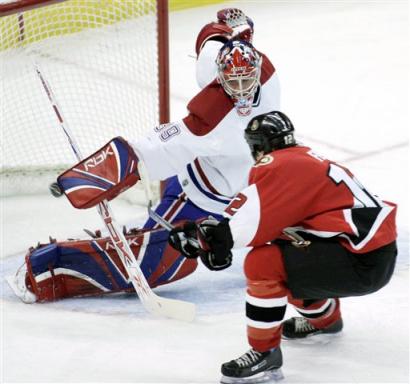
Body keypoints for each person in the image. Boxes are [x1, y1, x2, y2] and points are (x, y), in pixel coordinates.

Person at [10, 9, 282, 303]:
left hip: (252, 192)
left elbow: (215, 39)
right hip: (199, 197)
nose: (241, 90)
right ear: (219, 75)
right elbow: (147, 149)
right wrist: (83, 177)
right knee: (148, 265)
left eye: (246, 80)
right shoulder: (207, 118)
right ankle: (52, 266)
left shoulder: (266, 74)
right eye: (233, 82)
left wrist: (234, 27)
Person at [168, 111, 398, 383]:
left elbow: (247, 220)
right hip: (370, 256)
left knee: (264, 263)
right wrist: (209, 235)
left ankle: (265, 354)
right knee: (285, 250)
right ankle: (325, 320)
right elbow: (267, 220)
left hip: (358, 260)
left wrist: (210, 238)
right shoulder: (304, 159)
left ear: (258, 145)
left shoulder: (275, 163)